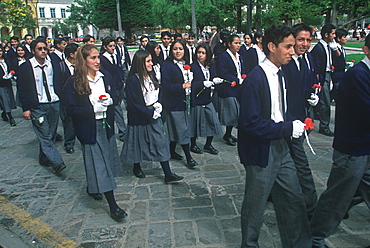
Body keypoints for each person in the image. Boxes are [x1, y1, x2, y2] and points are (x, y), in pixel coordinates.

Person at [237, 25, 311, 248]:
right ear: (271, 47)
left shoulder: (281, 73)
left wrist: (294, 123)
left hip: (281, 146)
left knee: (293, 198)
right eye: (287, 46)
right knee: (255, 204)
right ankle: (249, 244)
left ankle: (299, 243)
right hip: (261, 151)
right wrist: (287, 128)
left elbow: (278, 111)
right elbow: (250, 123)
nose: (293, 50)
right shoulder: (255, 79)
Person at [310, 34, 370, 248]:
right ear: (366, 50)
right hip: (353, 149)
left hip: (366, 147)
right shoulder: (358, 75)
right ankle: (314, 237)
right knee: (338, 196)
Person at [64, 44, 127, 222]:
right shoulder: (74, 82)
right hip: (89, 128)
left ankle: (93, 187)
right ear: (83, 61)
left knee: (105, 161)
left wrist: (110, 100)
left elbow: (115, 94)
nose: (97, 61)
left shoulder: (104, 76)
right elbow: (70, 109)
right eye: (93, 58)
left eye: (98, 57)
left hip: (106, 126)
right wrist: (91, 109)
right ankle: (113, 205)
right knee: (101, 165)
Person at [120, 49, 184, 183]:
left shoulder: (152, 75)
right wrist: (149, 112)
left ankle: (168, 173)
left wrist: (159, 105)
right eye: (148, 61)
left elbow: (158, 91)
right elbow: (133, 104)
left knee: (160, 142)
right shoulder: (133, 80)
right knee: (137, 142)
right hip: (140, 117)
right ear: (140, 63)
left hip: (154, 113)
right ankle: (136, 166)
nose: (151, 64)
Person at [282, 23, 319, 219]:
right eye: (301, 40)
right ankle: (312, 208)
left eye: (308, 40)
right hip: (286, 123)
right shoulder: (285, 63)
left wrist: (310, 96)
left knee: (283, 162)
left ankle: (274, 193)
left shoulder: (306, 59)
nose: (305, 44)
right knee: (302, 166)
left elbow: (303, 87)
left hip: (300, 118)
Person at [17, 39, 66, 173]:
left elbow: (59, 82)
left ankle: (44, 158)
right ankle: (57, 162)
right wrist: (26, 108)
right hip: (37, 105)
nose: (43, 51)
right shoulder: (26, 67)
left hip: (53, 103)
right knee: (44, 134)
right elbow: (22, 89)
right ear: (33, 51)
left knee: (50, 133)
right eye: (39, 49)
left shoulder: (52, 64)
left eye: (45, 48)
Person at [161, 39, 198, 168]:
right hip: (174, 103)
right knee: (182, 129)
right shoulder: (167, 65)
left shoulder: (186, 64)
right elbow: (165, 86)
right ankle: (189, 157)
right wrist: (181, 86)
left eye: (180, 49)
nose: (178, 51)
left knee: (177, 128)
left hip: (186, 101)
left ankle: (172, 151)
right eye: (175, 49)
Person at [189, 43, 222, 155]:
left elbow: (213, 77)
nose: (200, 55)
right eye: (199, 52)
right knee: (195, 123)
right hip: (197, 99)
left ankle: (208, 144)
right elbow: (191, 84)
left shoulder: (210, 66)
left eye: (203, 53)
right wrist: (202, 83)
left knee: (212, 120)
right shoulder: (193, 67)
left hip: (207, 98)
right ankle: (193, 144)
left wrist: (216, 80)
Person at [215, 34, 246, 146]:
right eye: (236, 43)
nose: (238, 45)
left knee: (237, 112)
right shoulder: (223, 57)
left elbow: (242, 69)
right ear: (229, 44)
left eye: (239, 43)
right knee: (231, 112)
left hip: (239, 87)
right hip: (228, 87)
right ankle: (227, 134)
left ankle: (228, 133)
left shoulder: (239, 56)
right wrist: (236, 80)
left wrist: (243, 76)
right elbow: (223, 73)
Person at [311, 23, 337, 137]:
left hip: (327, 75)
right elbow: (316, 66)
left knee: (326, 100)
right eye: (333, 33)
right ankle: (324, 126)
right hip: (322, 77)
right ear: (326, 35)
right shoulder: (319, 48)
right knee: (325, 102)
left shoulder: (328, 47)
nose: (334, 36)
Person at [54, 43, 79, 154]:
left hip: (80, 99)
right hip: (67, 100)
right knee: (68, 123)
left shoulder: (80, 66)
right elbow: (57, 85)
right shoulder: (60, 67)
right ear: (72, 54)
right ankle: (69, 143)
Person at [100, 37, 126, 142]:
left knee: (116, 108)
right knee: (117, 109)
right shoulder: (102, 59)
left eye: (113, 46)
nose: (113, 48)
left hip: (119, 85)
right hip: (110, 88)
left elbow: (120, 69)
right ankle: (122, 131)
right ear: (105, 47)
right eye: (110, 46)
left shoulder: (116, 56)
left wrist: (122, 80)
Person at [331, 28, 351, 101]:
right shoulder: (334, 49)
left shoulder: (341, 48)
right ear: (339, 38)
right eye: (344, 37)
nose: (346, 39)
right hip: (336, 75)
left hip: (341, 74)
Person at [0, 45, 17, 126]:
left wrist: (11, 73)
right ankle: (10, 117)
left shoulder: (6, 60)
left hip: (8, 82)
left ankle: (4, 112)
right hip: (1, 84)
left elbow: (10, 68)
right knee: (5, 99)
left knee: (9, 99)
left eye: (0, 51)